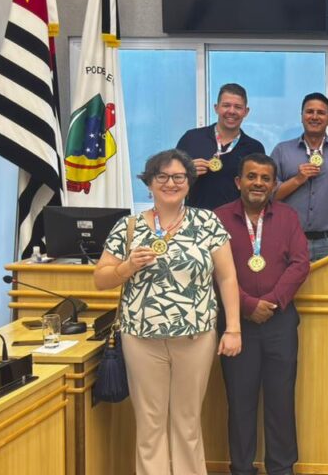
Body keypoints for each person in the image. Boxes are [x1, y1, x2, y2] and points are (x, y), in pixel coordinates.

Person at [93, 149, 242, 475]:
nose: (170, 183)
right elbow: (100, 279)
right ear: (149, 183)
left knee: (187, 423)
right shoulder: (128, 226)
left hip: (195, 337)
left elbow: (227, 277)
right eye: (162, 176)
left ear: (189, 183)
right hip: (141, 339)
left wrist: (233, 328)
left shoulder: (207, 222)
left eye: (178, 177)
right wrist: (127, 266)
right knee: (150, 423)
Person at [214, 153, 309, 475]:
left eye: (265, 178)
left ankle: (281, 468)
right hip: (235, 324)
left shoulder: (288, 217)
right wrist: (247, 305)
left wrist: (270, 302)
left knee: (281, 400)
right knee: (240, 402)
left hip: (279, 322)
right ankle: (242, 468)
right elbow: (213, 270)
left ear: (274, 184)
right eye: (251, 176)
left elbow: (300, 264)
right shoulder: (218, 219)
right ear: (238, 181)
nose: (258, 183)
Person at [271, 92, 328, 261]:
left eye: (321, 113)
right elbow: (270, 196)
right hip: (290, 239)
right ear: (301, 116)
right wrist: (297, 179)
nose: (314, 117)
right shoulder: (282, 151)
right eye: (309, 112)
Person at [176, 83, 265, 210]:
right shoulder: (191, 138)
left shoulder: (254, 148)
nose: (231, 111)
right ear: (216, 108)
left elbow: (258, 189)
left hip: (237, 219)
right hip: (196, 217)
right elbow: (170, 178)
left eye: (238, 107)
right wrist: (186, 172)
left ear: (246, 112)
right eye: (226, 105)